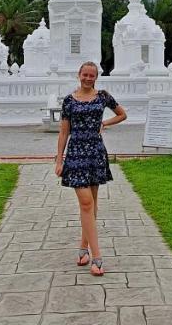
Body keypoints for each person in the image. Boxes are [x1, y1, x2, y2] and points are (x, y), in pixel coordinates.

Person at [54, 60, 127, 276]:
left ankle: (82, 249)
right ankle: (97, 257)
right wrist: (59, 160)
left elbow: (122, 114)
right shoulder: (69, 101)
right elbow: (63, 132)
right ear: (79, 75)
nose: (88, 78)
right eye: (85, 74)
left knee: (91, 205)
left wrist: (105, 124)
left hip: (95, 152)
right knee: (86, 202)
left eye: (91, 75)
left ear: (96, 77)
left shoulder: (102, 96)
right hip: (76, 153)